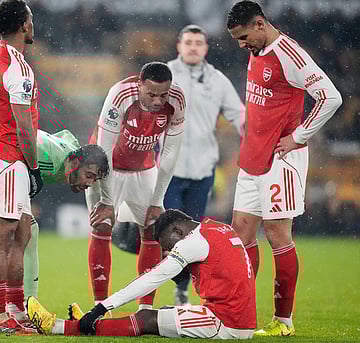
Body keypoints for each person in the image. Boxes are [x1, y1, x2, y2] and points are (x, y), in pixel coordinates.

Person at [226, 0, 342, 336]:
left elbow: (330, 97)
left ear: (260, 24)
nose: (241, 44)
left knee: (277, 234)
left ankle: (283, 321)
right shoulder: (257, 49)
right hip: (252, 157)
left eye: (244, 36)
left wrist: (299, 137)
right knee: (241, 233)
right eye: (236, 39)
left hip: (281, 158)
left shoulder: (290, 55)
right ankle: (240, 313)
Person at [26, 209, 256, 339]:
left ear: (178, 230)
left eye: (168, 245)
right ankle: (89, 321)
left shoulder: (192, 242)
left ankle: (60, 327)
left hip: (226, 322)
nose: (168, 252)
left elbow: (152, 278)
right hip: (240, 316)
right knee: (165, 313)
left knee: (146, 319)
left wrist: (102, 307)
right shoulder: (217, 226)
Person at [0, 129, 109, 316]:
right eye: (89, 175)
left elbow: (66, 134)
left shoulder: (73, 154)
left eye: (95, 179)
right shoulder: (49, 158)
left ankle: (20, 306)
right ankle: (11, 310)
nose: (90, 183)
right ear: (76, 162)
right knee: (3, 234)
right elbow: (22, 139)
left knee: (24, 231)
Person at [86, 62, 185, 309]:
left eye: (162, 95)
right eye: (151, 94)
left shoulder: (177, 100)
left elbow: (171, 153)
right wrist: (107, 201)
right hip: (107, 168)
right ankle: (100, 306)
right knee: (102, 225)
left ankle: (146, 308)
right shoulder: (120, 94)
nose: (157, 101)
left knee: (153, 230)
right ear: (140, 84)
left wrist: (157, 201)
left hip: (144, 168)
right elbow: (103, 150)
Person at [165, 24, 245, 306]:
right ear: (179, 45)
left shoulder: (217, 80)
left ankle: (185, 290)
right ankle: (155, 290)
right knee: (169, 233)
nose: (193, 47)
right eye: (188, 42)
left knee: (194, 234)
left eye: (198, 43)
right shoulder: (165, 74)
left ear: (206, 48)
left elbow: (240, 117)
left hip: (202, 171)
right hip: (170, 170)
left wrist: (257, 143)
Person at [0, 0, 41, 334]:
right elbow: (23, 127)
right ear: (24, 26)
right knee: (1, 236)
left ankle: (15, 310)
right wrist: (33, 165)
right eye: (30, 19)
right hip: (7, 157)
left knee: (22, 233)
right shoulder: (19, 68)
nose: (33, 24)